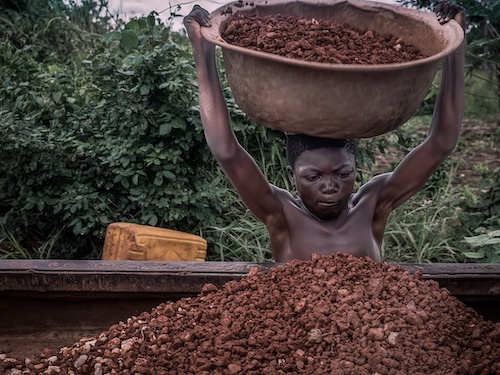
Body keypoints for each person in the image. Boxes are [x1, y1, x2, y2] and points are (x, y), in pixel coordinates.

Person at [183, 1, 466, 263]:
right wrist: (203, 50)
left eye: (343, 174)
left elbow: (441, 143)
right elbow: (226, 150)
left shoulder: (373, 203)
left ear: (357, 168)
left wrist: (454, 46)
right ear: (293, 176)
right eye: (313, 176)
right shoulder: (281, 213)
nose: (329, 186)